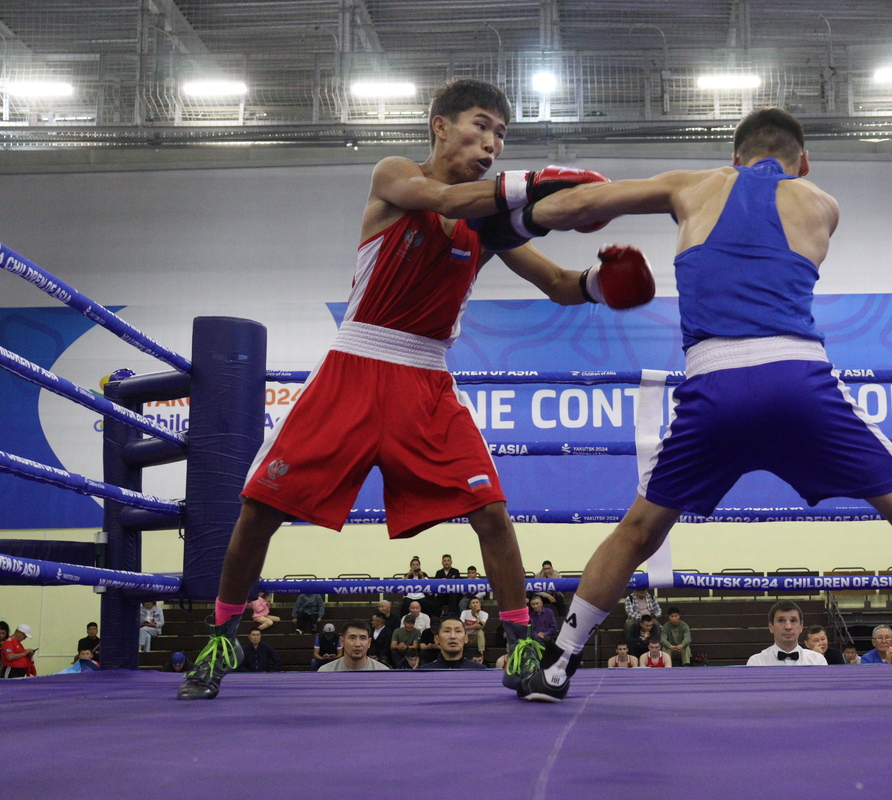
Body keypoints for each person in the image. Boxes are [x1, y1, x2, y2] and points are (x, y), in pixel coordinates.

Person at [516, 106, 892, 701]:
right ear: (803, 162)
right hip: (799, 380)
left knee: (638, 531)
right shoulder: (821, 202)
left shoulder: (690, 185)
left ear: (732, 158)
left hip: (713, 384)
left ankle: (558, 664)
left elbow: (571, 208)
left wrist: (518, 205)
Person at [176, 77, 642, 700]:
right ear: (440, 126)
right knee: (261, 507)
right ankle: (222, 633)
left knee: (492, 513)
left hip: (426, 378)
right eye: (481, 125)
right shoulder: (396, 176)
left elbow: (558, 282)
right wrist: (535, 185)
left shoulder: (491, 224)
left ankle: (522, 642)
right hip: (357, 361)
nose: (491, 142)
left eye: (501, 134)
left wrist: (602, 284)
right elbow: (441, 200)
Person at [746, 601, 827, 666]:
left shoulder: (817, 661)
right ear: (771, 626)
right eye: (781, 620)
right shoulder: (756, 662)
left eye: (793, 620)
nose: (788, 627)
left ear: (801, 626)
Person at [318, 621, 391, 672]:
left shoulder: (382, 673)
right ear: (342, 641)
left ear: (369, 643)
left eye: (363, 638)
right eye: (352, 638)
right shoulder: (325, 672)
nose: (357, 644)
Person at [417, 617, 488, 670]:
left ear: (466, 638)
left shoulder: (480, 671)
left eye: (458, 631)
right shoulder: (424, 672)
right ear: (437, 639)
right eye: (447, 631)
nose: (452, 636)